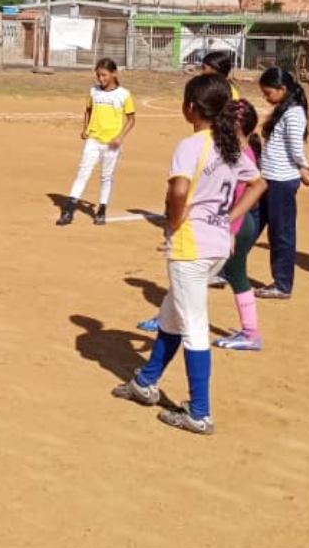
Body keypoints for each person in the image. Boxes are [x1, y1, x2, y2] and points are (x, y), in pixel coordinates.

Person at [112, 74, 264, 435]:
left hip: (191, 246)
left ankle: (200, 412)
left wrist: (176, 219)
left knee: (193, 324)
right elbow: (258, 183)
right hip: (216, 247)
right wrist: (229, 216)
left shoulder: (192, 144)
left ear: (190, 108)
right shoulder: (229, 145)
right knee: (172, 314)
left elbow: (179, 190)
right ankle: (146, 381)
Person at [250, 66, 309, 299]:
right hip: (268, 178)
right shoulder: (283, 110)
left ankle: (282, 284)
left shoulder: (294, 113)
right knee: (253, 223)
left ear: (282, 89)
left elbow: (295, 146)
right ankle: (229, 267)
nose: (266, 98)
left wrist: (303, 167)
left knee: (281, 233)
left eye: (268, 93)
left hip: (281, 180)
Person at [213, 99, 266, 350]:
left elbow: (239, 195)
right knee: (235, 274)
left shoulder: (241, 154)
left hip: (237, 226)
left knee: (195, 271)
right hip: (238, 225)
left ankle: (251, 333)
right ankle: (250, 331)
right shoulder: (240, 149)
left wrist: (230, 231)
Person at [58, 58, 136, 226]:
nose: (101, 79)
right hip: (93, 140)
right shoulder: (93, 91)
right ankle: (69, 210)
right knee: (82, 172)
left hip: (111, 143)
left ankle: (101, 210)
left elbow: (131, 120)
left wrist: (120, 137)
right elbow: (88, 110)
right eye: (98, 75)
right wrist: (85, 128)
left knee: (106, 176)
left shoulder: (124, 95)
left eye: (104, 75)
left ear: (114, 73)